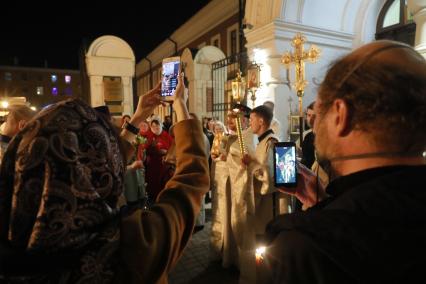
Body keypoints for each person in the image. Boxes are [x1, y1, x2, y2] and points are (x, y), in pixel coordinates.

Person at [0, 73, 209, 283]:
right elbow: (190, 182)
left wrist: (137, 118)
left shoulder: (14, 255)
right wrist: (180, 106)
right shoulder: (131, 247)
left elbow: (103, 161)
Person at [261, 40, 426, 283]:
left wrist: (325, 217)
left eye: (319, 112)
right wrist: (324, 205)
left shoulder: (306, 247)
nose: (315, 124)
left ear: (340, 114)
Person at [239, 105, 291, 283]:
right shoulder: (262, 142)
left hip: (270, 207)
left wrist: (251, 165)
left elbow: (268, 177)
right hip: (263, 205)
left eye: (252, 119)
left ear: (261, 121)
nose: (250, 123)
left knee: (267, 247)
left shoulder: (271, 142)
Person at [140, 116, 173, 202]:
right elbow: (144, 148)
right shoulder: (148, 136)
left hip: (164, 165)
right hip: (152, 165)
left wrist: (165, 152)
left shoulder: (167, 136)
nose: (155, 128)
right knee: (153, 184)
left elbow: (172, 148)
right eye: (153, 126)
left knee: (163, 183)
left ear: (161, 125)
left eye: (157, 126)